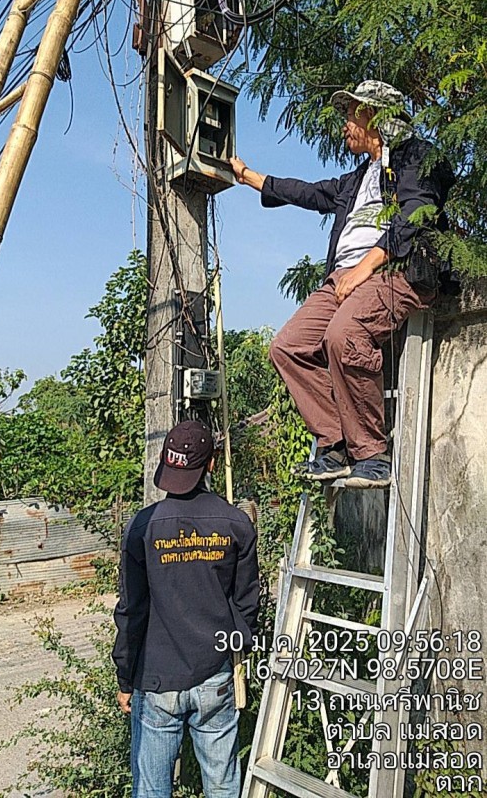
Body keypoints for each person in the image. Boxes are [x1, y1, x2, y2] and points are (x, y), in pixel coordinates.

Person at [229, 80, 455, 489]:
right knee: (287, 346)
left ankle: (371, 453)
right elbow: (309, 192)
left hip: (394, 270)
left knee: (344, 335)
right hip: (344, 277)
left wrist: (365, 267)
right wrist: (250, 177)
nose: (345, 125)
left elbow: (417, 213)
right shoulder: (356, 179)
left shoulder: (416, 158)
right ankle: (334, 444)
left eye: (352, 115)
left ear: (377, 118)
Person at [112, 419, 259, 798]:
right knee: (223, 786)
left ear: (167, 462)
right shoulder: (236, 523)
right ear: (211, 464)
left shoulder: (142, 527)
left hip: (157, 681)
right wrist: (235, 647)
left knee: (151, 790)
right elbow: (247, 604)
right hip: (215, 676)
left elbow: (131, 611)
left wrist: (125, 678)